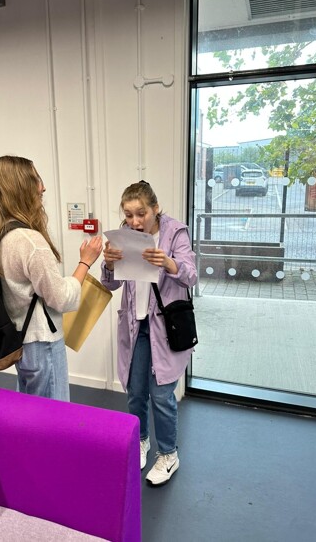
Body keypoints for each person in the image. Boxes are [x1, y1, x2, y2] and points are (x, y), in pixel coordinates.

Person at [0, 155, 103, 401]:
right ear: (20, 187)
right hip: (42, 342)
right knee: (53, 414)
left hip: (20, 340)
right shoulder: (30, 241)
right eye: (35, 179)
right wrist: (85, 262)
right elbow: (60, 298)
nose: (42, 187)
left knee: (30, 407)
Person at [101, 180, 197, 486]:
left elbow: (191, 276)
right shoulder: (124, 236)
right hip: (136, 325)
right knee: (136, 391)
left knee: (161, 394)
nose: (135, 221)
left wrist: (168, 263)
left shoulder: (175, 232)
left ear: (155, 208)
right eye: (129, 215)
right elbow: (111, 285)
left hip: (165, 327)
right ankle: (141, 440)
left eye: (141, 213)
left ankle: (168, 454)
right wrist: (108, 264)